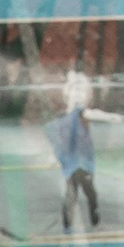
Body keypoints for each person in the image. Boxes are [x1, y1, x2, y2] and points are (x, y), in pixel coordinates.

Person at [47, 74, 100, 234]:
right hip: (71, 163)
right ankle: (67, 225)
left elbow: (94, 114)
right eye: (75, 90)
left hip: (84, 162)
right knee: (71, 193)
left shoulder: (82, 113)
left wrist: (112, 118)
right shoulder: (61, 119)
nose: (78, 95)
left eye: (82, 91)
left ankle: (94, 211)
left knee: (89, 190)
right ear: (67, 93)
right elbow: (57, 139)